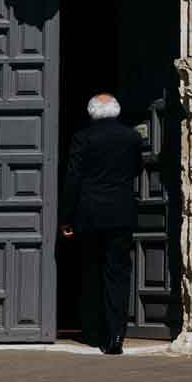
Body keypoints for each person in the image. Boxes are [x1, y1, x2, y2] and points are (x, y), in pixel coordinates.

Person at [60, 92, 144, 355]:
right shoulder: (132, 137)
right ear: (117, 111)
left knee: (92, 272)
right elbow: (137, 169)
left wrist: (66, 217)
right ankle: (116, 335)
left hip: (89, 215)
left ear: (91, 112)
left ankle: (94, 331)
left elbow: (73, 178)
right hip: (121, 213)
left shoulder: (83, 138)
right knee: (117, 274)